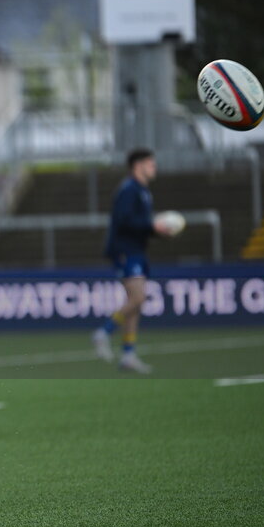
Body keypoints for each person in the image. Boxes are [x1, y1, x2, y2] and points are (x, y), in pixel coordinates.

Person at [92, 149, 174, 374]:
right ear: (138, 165)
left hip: (137, 250)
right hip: (124, 250)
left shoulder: (142, 191)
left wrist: (157, 231)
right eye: (150, 164)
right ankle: (103, 332)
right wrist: (152, 226)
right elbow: (125, 221)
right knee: (138, 298)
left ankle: (128, 354)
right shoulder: (129, 190)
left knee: (135, 303)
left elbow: (140, 224)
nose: (154, 168)